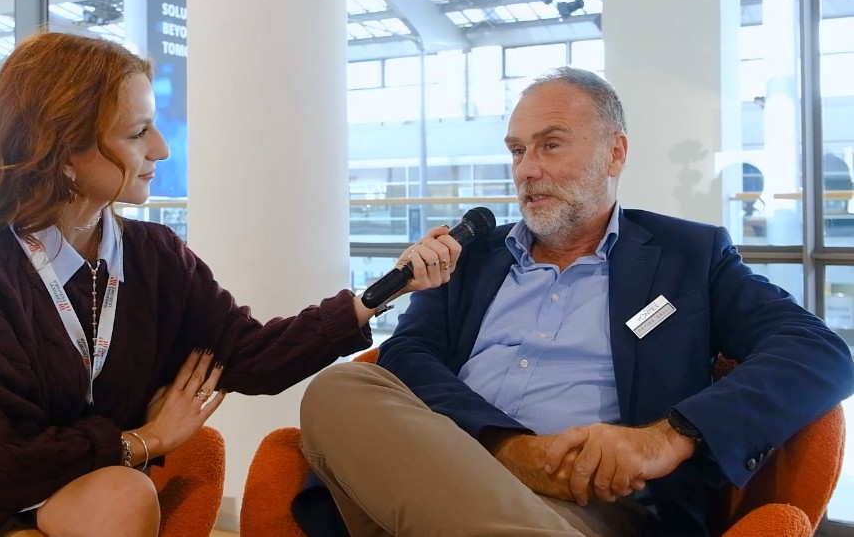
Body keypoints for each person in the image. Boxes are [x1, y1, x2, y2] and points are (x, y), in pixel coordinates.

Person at [0, 31, 462, 537]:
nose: (162, 149)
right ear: (63, 150)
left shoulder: (153, 255)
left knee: (123, 497)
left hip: (74, 488)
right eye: (138, 132)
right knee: (115, 492)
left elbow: (249, 356)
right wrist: (144, 440)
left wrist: (381, 293)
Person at [297, 67, 854, 537]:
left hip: (596, 509)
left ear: (615, 153)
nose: (526, 169)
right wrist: (509, 450)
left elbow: (818, 352)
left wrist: (669, 437)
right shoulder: (473, 256)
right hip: (435, 477)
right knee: (340, 388)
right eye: (518, 150)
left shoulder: (689, 257)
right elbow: (407, 358)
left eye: (551, 144)